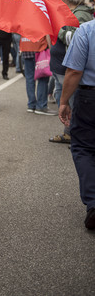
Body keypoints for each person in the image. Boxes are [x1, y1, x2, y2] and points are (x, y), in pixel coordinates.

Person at [58, 19, 95, 230]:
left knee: (83, 148)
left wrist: (64, 102)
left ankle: (93, 203)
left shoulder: (87, 30)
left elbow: (74, 71)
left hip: (90, 96)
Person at [49, 0, 93, 143]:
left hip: (70, 66)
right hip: (62, 64)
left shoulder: (81, 15)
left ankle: (77, 135)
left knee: (72, 102)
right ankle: (70, 133)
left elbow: (76, 38)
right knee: (66, 99)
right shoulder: (74, 12)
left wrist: (58, 30)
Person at [20, 35, 57, 115]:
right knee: (43, 77)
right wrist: (50, 48)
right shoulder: (43, 21)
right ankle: (41, 105)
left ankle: (31, 105)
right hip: (39, 47)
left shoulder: (25, 21)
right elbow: (46, 33)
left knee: (29, 78)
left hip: (26, 46)